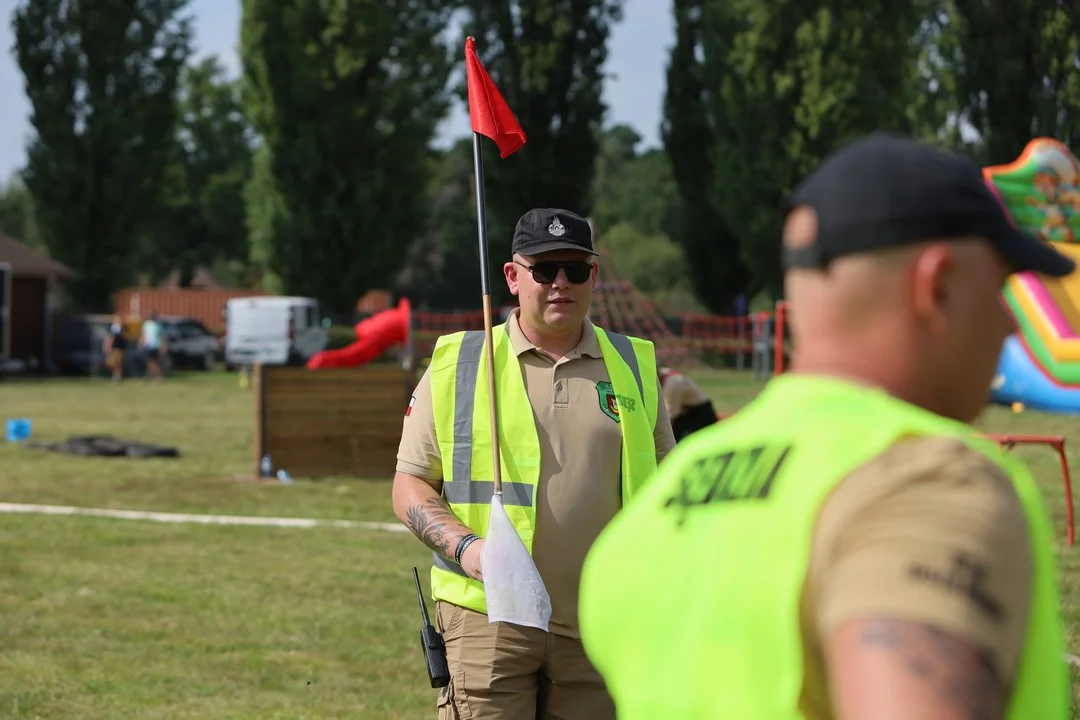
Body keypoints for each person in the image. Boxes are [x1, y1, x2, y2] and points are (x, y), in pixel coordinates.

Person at [578, 134, 1074, 719]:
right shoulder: (923, 481)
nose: (1009, 324)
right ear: (936, 286)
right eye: (998, 289)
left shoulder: (666, 495)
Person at [392, 207, 677, 720]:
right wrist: (467, 549)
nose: (560, 283)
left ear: (594, 275)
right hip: (487, 618)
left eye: (575, 269)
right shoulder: (458, 363)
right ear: (512, 276)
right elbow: (410, 484)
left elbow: (666, 491)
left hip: (600, 621)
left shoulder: (635, 364)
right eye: (544, 270)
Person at [658, 366, 718, 441]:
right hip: (688, 411)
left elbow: (671, 415)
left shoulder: (672, 384)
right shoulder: (665, 375)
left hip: (699, 414)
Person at [140, 310, 165, 382]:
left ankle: (159, 376)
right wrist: (141, 342)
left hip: (156, 345)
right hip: (148, 345)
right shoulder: (146, 324)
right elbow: (143, 335)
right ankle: (148, 376)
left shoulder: (158, 325)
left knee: (154, 361)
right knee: (149, 361)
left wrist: (163, 346)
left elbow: (162, 336)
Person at [102, 314, 127, 383]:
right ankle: (116, 376)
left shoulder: (123, 327)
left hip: (120, 348)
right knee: (110, 363)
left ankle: (117, 377)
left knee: (118, 363)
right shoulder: (112, 327)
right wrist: (107, 346)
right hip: (113, 348)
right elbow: (109, 337)